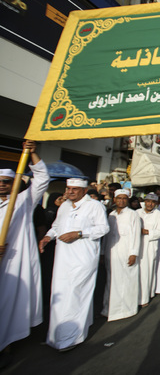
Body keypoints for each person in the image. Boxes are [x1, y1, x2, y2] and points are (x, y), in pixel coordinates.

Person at [40, 177, 109, 351]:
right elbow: (57, 226)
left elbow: (103, 228)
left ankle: (72, 338)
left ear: (84, 191)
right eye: (68, 188)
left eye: (74, 189)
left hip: (83, 259)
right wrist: (48, 237)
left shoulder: (95, 206)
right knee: (60, 294)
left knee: (75, 294)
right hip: (62, 258)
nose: (69, 192)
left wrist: (79, 233)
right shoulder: (63, 206)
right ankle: (56, 336)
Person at [0, 141, 49, 359]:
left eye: (6, 182)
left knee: (9, 302)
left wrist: (32, 153)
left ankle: (6, 341)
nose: (2, 185)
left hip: (14, 261)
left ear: (15, 183)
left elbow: (42, 178)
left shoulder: (24, 200)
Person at [101, 189, 141, 321]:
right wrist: (102, 252)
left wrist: (133, 253)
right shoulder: (111, 215)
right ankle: (108, 309)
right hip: (110, 253)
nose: (121, 201)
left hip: (125, 253)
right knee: (110, 281)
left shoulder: (132, 215)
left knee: (125, 282)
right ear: (114, 199)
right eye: (119, 198)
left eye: (124, 198)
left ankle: (125, 310)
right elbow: (106, 236)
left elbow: (136, 235)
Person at [137, 193, 160, 307]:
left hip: (150, 246)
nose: (150, 204)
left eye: (153, 202)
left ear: (156, 204)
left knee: (147, 271)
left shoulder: (159, 215)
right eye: (148, 201)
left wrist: (147, 232)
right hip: (136, 244)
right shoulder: (136, 213)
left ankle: (144, 297)